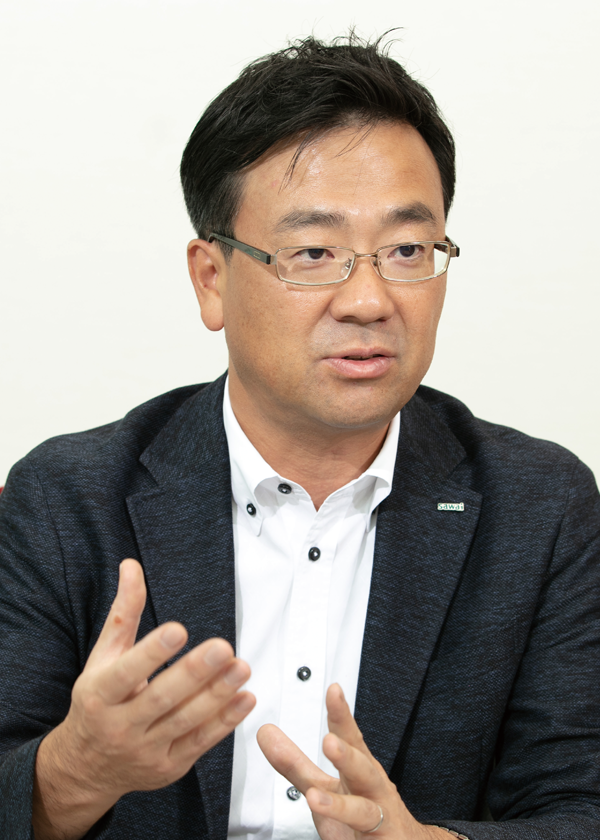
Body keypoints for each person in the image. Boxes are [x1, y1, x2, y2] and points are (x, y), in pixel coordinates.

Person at [0, 33, 599, 840]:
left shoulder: (540, 506)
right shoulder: (67, 500)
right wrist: (75, 773)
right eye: (314, 252)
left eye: (407, 250)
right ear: (211, 278)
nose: (369, 300)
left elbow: (580, 804)